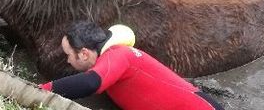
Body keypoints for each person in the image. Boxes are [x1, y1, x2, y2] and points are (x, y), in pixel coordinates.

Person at [39, 21, 225, 110]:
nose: (67, 61)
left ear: (84, 53)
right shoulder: (114, 60)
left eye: (68, 55)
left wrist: (38, 90)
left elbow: (90, 84)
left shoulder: (118, 55)